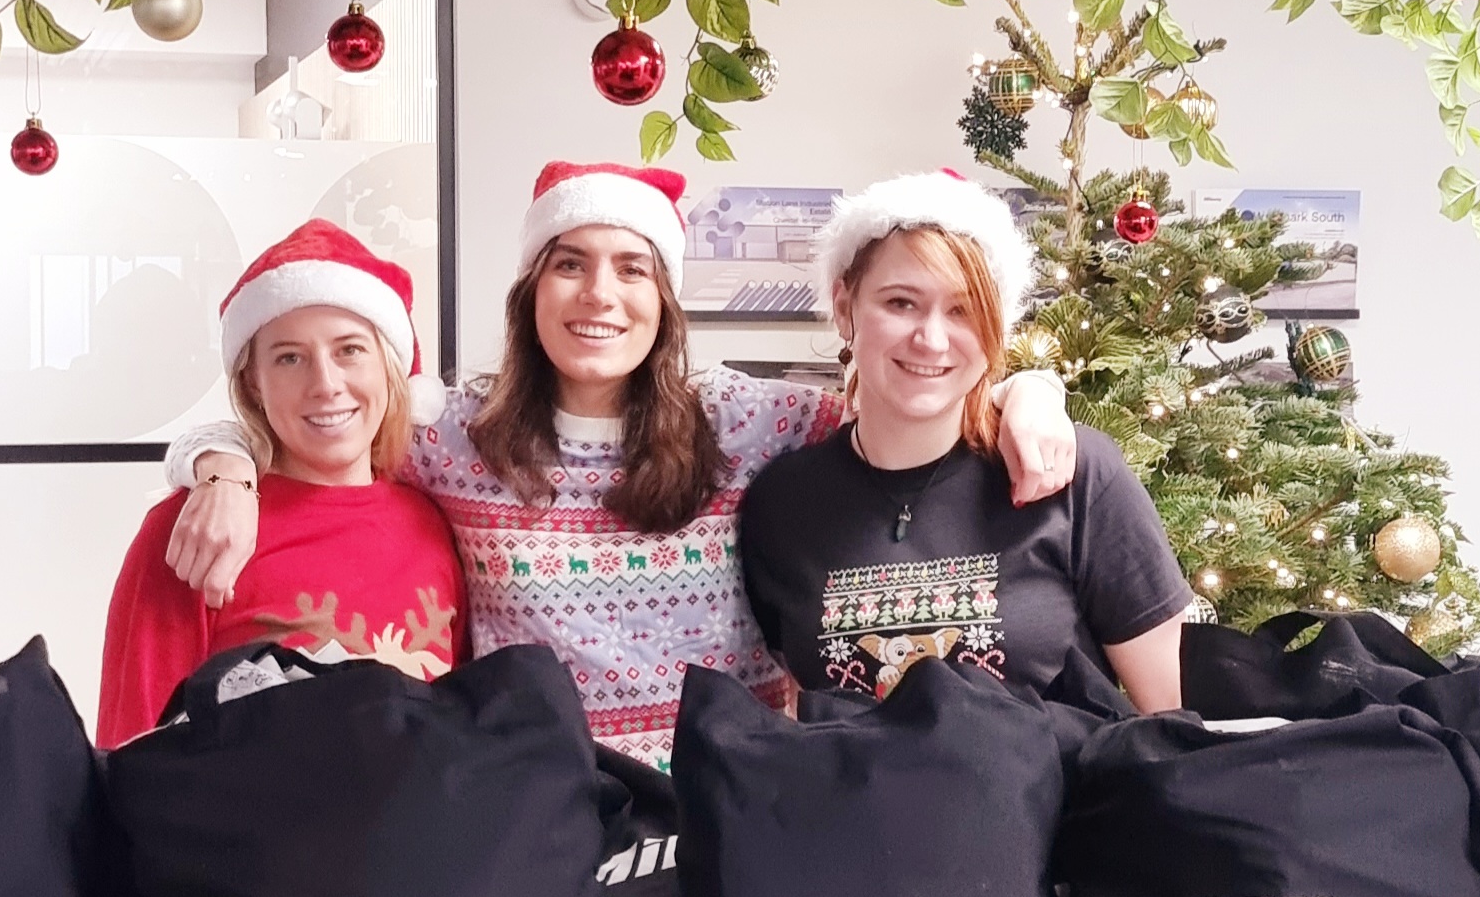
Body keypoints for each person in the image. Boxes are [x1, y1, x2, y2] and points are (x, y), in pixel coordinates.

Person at [160, 161, 1077, 765]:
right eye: (571, 264)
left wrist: (1029, 390)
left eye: (632, 269)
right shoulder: (454, 434)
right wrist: (222, 465)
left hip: (732, 796)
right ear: (532, 290)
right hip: (544, 804)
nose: (601, 295)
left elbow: (913, 394)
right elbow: (326, 409)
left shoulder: (747, 418)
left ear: (664, 300)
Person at [737, 171, 1190, 713]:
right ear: (843, 306)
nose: (931, 340)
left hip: (1064, 797)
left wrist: (1038, 385)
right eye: (901, 302)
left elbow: (1169, 718)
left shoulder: (1072, 472)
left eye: (963, 310)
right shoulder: (782, 503)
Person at [98, 224, 466, 747]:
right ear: (254, 381)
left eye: (350, 350)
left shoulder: (433, 521)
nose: (325, 385)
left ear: (390, 368)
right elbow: (130, 750)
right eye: (289, 357)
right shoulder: (194, 530)